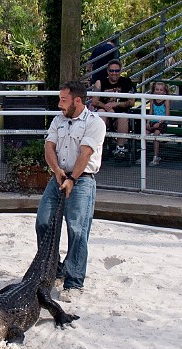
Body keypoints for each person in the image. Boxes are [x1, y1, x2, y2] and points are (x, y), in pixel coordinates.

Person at [35, 81, 106, 303]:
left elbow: (85, 154)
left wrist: (73, 179)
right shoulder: (59, 120)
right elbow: (49, 147)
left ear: (77, 100)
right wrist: (57, 171)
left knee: (77, 228)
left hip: (83, 180)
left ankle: (74, 281)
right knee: (43, 222)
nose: (59, 104)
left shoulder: (95, 123)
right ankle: (54, 270)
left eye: (63, 100)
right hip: (59, 176)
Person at [91, 59, 135, 157]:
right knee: (101, 112)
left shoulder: (127, 82)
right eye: (111, 71)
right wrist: (107, 107)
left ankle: (120, 148)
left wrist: (116, 104)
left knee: (123, 116)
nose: (114, 73)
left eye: (117, 71)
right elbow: (94, 101)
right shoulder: (100, 82)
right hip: (105, 113)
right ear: (107, 71)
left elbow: (132, 102)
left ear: (120, 71)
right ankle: (99, 147)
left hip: (120, 114)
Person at [145, 81, 170, 166]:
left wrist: (159, 122)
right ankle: (143, 155)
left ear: (165, 91)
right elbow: (151, 112)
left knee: (156, 134)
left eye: (161, 90)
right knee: (145, 133)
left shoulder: (166, 101)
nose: (159, 91)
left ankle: (156, 156)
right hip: (153, 121)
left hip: (162, 122)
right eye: (157, 90)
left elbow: (167, 115)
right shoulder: (153, 100)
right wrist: (148, 121)